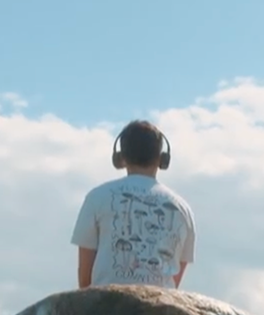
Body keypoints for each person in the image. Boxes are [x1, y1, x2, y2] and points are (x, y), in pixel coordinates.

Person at [70, 120, 196, 290]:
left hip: (106, 302)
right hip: (160, 305)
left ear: (120, 158)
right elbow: (174, 280)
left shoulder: (96, 197)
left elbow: (85, 278)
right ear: (162, 159)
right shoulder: (183, 210)